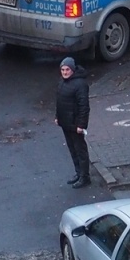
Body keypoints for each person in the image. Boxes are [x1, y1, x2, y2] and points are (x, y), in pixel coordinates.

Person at [55, 56, 91, 188]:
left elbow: (84, 107)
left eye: (67, 69)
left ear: (73, 70)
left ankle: (84, 177)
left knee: (80, 150)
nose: (64, 72)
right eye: (62, 69)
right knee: (72, 149)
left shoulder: (80, 84)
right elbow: (60, 102)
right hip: (66, 123)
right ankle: (78, 173)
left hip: (75, 125)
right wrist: (57, 117)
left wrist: (81, 125)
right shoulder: (62, 82)